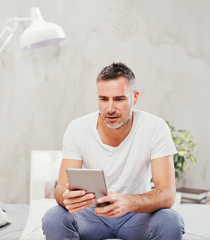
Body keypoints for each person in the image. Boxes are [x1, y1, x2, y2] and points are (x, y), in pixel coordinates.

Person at [42, 62, 185, 240]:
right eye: (103, 99)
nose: (110, 108)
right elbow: (61, 189)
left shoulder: (155, 127)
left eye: (119, 99)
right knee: (54, 217)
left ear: (135, 97)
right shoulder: (77, 129)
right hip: (91, 216)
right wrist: (66, 197)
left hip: (136, 215)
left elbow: (167, 195)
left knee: (171, 220)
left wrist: (129, 203)